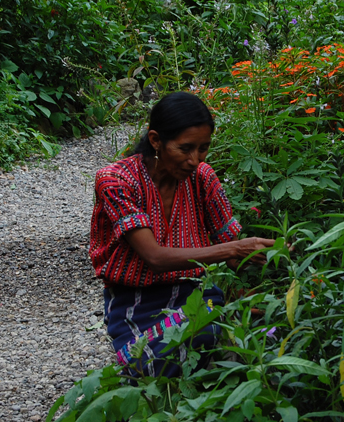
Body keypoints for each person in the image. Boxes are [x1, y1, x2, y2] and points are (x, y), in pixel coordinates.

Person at [89, 91, 274, 377]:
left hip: (197, 295)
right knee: (157, 365)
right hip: (135, 302)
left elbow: (236, 257)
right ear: (155, 141)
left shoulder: (203, 178)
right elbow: (155, 258)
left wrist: (275, 257)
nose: (194, 159)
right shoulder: (117, 181)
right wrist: (236, 249)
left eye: (203, 148)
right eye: (185, 148)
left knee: (247, 347)